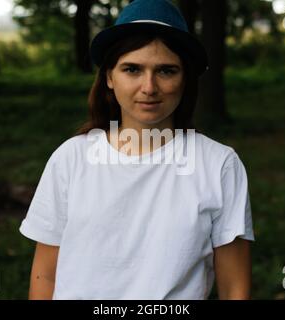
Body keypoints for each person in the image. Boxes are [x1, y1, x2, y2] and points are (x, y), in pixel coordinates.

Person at [19, 0, 255, 300]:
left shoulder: (219, 165)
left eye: (166, 71)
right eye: (132, 69)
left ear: (186, 79)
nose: (149, 86)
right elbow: (45, 277)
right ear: (109, 77)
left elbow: (235, 289)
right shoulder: (71, 158)